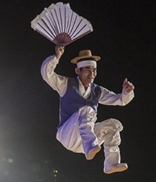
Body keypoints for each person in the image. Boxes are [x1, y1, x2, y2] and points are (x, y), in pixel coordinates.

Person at [41, 46, 136, 174]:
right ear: (77, 71)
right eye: (87, 70)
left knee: (113, 125)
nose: (91, 74)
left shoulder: (97, 90)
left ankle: (111, 164)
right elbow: (47, 74)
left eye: (94, 70)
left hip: (86, 140)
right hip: (68, 135)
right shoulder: (66, 84)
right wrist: (56, 57)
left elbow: (120, 100)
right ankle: (90, 146)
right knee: (87, 110)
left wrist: (126, 92)